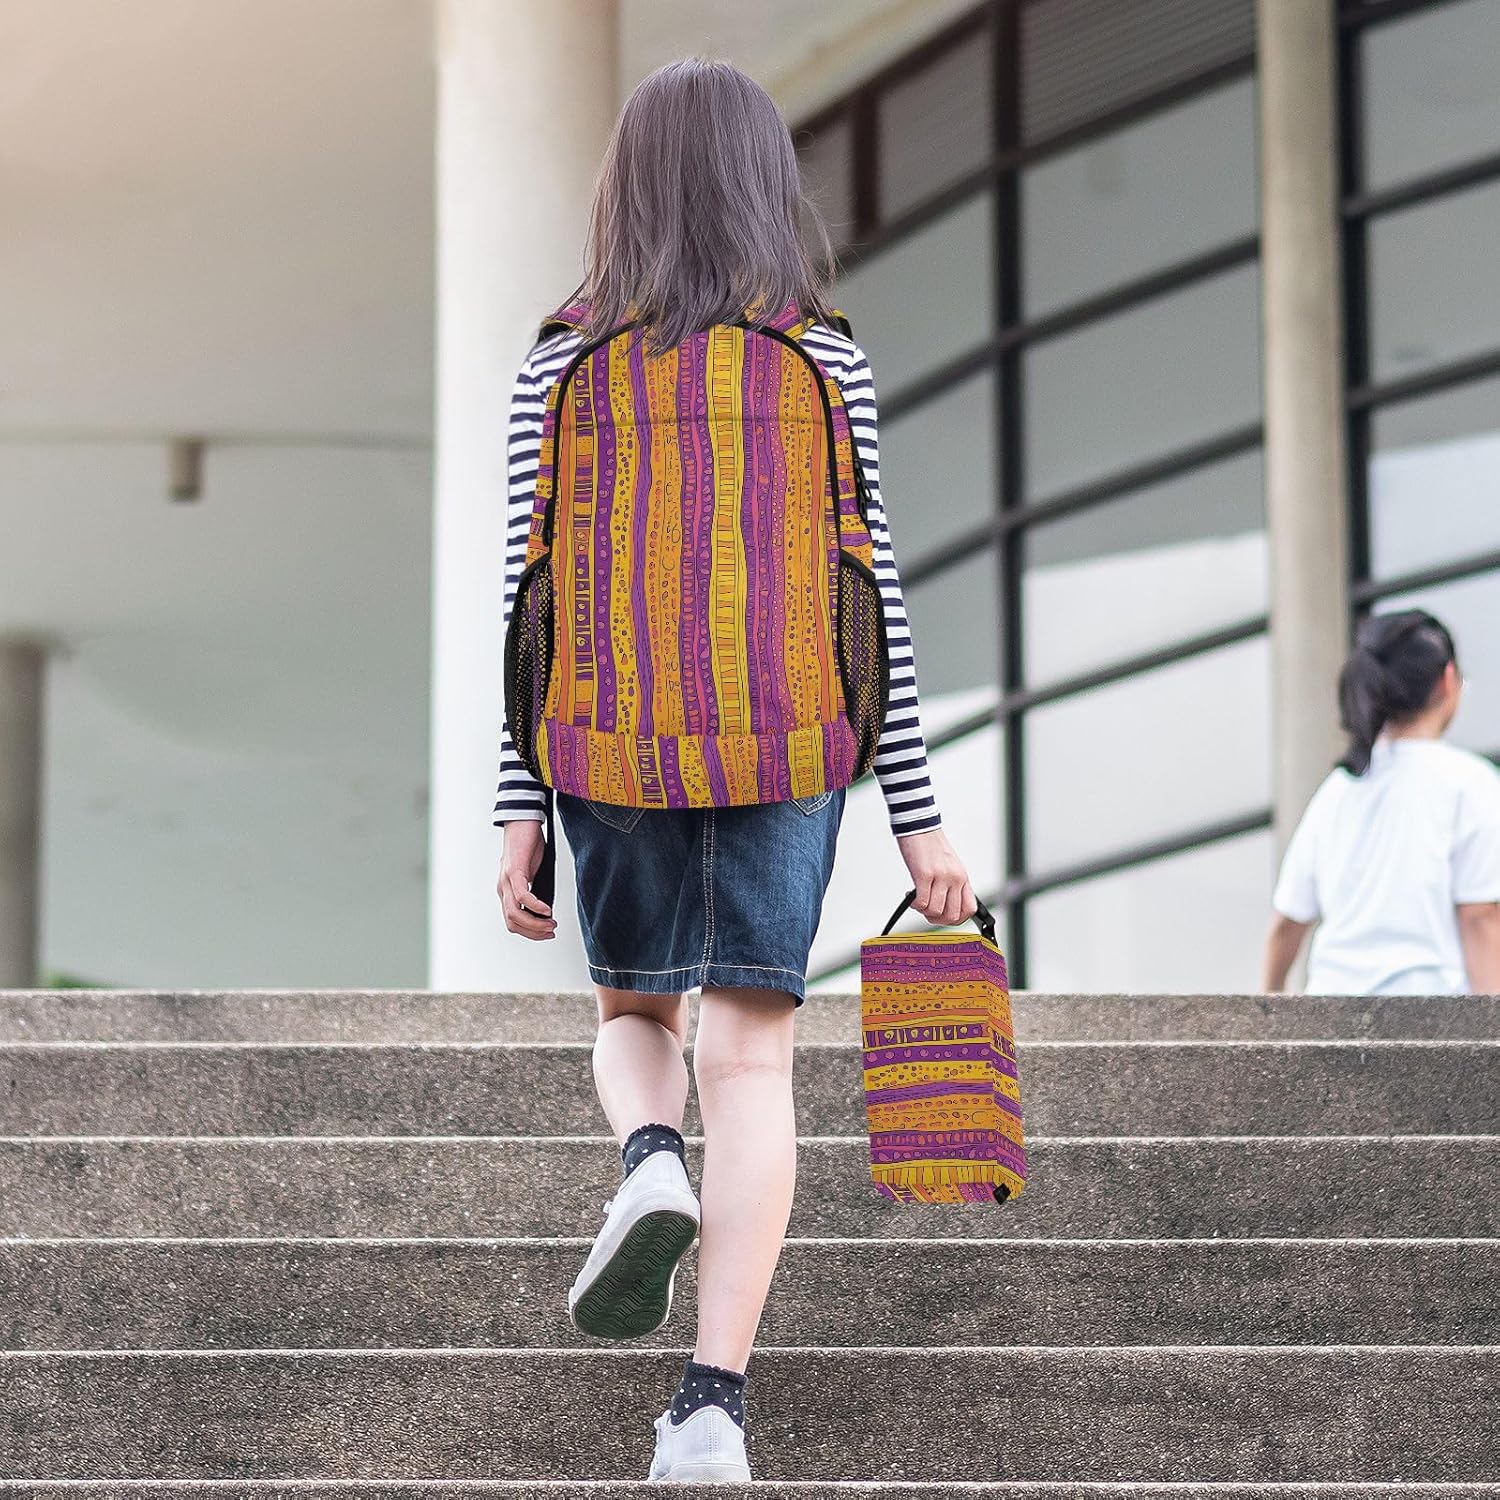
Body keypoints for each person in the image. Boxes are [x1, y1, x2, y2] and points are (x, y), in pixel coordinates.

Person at [491, 59, 977, 1484]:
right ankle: (710, 1407)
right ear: (768, 182)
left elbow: (529, 596)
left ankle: (651, 1160)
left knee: (634, 1012)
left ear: (625, 188)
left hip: (611, 741)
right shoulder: (823, 358)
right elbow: (870, 596)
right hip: (790, 742)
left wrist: (519, 805)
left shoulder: (561, 358)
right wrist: (919, 816)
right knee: (752, 1058)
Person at [1263, 609, 1500, 996]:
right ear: (1448, 680)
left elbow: (1287, 922)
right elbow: (1479, 917)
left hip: (1332, 1006)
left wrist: (1268, 999)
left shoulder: (1339, 788)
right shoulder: (1469, 782)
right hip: (1428, 1007)